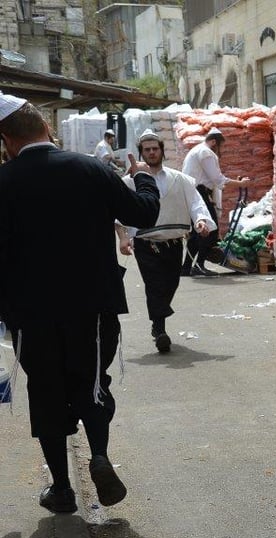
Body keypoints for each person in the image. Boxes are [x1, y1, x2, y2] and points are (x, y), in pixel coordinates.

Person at [0, 93, 160, 514]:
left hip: (30, 314)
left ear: (7, 141)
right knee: (91, 382)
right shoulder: (90, 169)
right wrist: (142, 175)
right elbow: (143, 213)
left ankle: (61, 488)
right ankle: (100, 455)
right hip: (91, 307)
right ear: (47, 129)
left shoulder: (4, 181)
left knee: (47, 392)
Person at [116, 129, 216, 354]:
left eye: (155, 149)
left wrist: (201, 221)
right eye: (147, 150)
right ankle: (159, 329)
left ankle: (158, 319)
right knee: (154, 284)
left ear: (161, 151)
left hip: (173, 242)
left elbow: (196, 203)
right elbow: (118, 213)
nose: (151, 153)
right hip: (146, 242)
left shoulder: (179, 179)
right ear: (141, 153)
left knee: (171, 283)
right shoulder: (130, 182)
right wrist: (123, 238)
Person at [181, 128, 250, 277]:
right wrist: (240, 184)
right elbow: (218, 179)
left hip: (192, 191)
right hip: (198, 192)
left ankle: (186, 267)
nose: (220, 150)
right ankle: (199, 264)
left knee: (197, 232)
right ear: (213, 142)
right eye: (220, 146)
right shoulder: (206, 152)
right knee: (211, 231)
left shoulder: (196, 150)